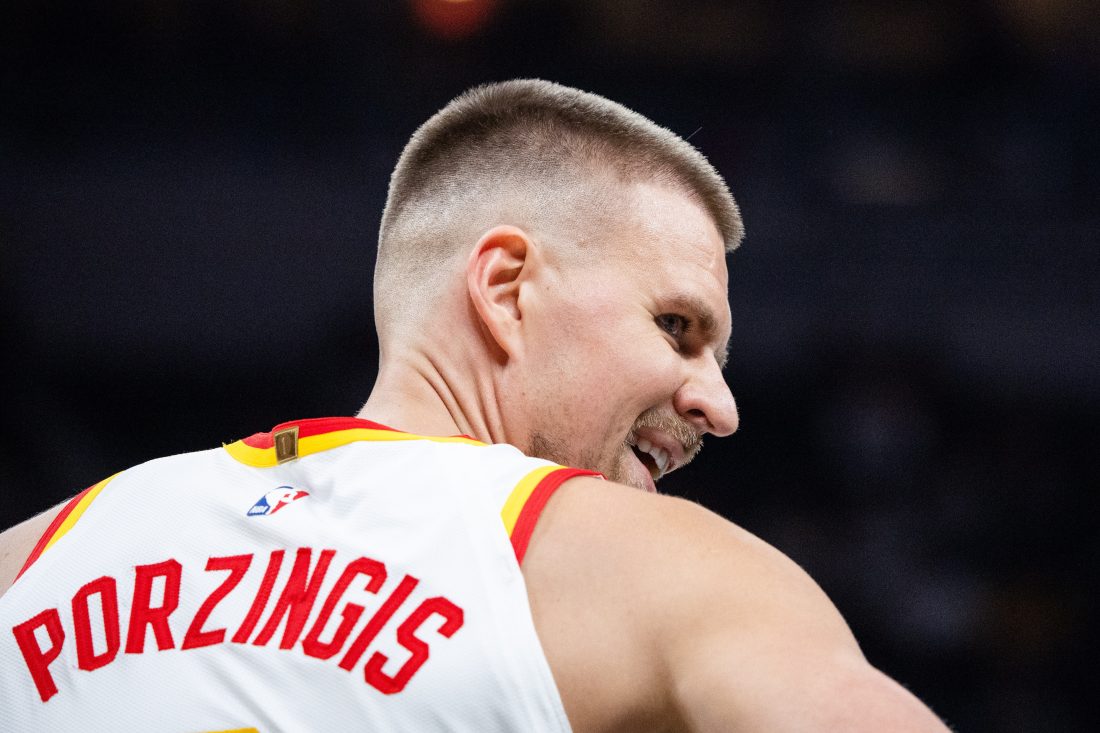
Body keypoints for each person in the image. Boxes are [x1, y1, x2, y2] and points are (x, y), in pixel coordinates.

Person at [0, 79, 949, 731]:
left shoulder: (35, 555)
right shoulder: (656, 567)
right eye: (676, 327)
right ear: (504, 288)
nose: (720, 403)